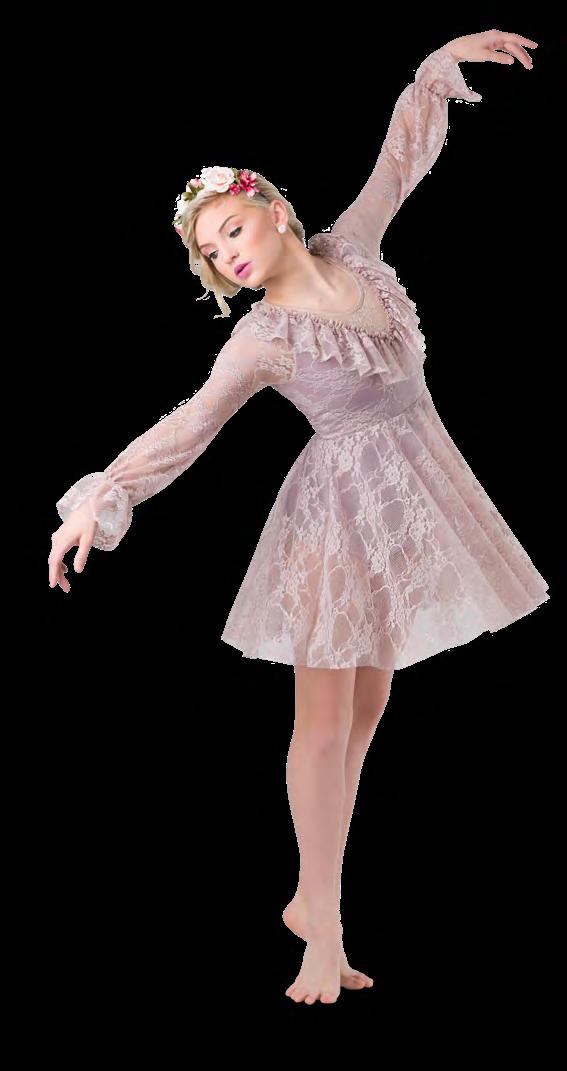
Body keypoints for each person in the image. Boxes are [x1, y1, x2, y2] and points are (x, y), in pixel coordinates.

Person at [49, 31, 545, 1005]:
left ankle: (315, 897)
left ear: (272, 208)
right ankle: (322, 922)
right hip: (335, 520)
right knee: (320, 724)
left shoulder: (352, 249)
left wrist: (438, 68)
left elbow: (397, 163)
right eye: (210, 252)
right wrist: (102, 495)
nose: (227, 253)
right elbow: (190, 426)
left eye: (231, 229)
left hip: (405, 503)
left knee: (370, 705)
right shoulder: (263, 339)